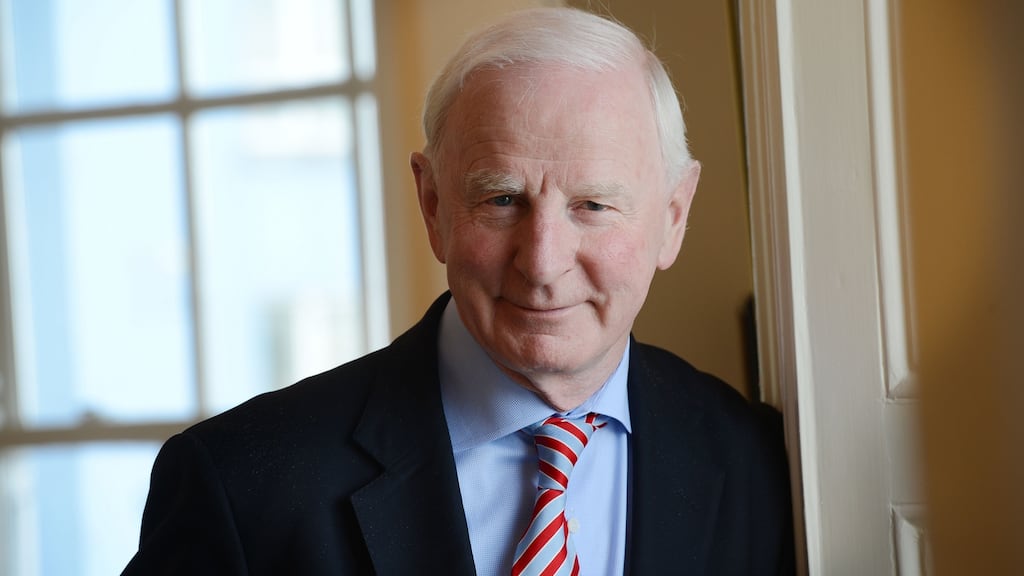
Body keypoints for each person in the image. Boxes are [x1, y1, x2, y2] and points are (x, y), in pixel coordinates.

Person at [122, 7, 793, 575]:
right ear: (433, 202)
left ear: (673, 216)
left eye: (592, 205)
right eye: (502, 199)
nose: (542, 263)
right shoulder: (242, 485)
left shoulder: (762, 464)